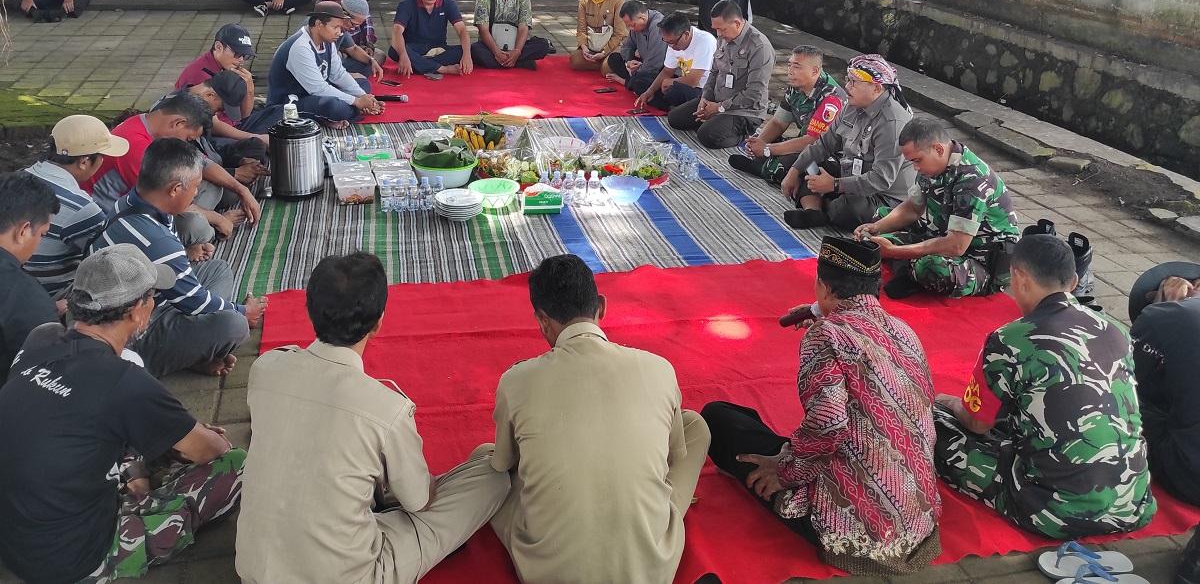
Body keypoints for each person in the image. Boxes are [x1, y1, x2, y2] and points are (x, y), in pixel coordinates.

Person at [237, 252, 508, 584]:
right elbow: (419, 501)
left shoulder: (265, 368)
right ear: (379, 321)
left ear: (310, 311)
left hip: (256, 569)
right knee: (492, 475)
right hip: (352, 574)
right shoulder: (385, 408)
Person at [0, 245, 245, 584]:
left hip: (14, 539)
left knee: (131, 433)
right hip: (73, 561)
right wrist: (199, 439)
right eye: (151, 297)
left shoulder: (42, 337)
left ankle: (139, 473)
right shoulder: (125, 381)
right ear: (137, 311)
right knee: (236, 465)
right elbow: (212, 452)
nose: (154, 304)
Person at [702, 236, 942, 576]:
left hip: (861, 529)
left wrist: (785, 472)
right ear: (875, 285)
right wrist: (820, 310)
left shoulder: (825, 336)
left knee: (719, 419)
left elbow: (828, 424)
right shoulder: (904, 331)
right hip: (917, 516)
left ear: (822, 286)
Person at [489, 254, 710, 584]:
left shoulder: (516, 380)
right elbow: (675, 455)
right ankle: (652, 507)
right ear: (601, 307)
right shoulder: (659, 368)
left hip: (548, 571)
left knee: (485, 459)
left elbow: (504, 464)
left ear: (542, 320)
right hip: (651, 566)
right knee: (696, 426)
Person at [933, 234, 1156, 539]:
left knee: (933, 424)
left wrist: (947, 402)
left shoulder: (1010, 339)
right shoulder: (1115, 330)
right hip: (1132, 503)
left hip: (1052, 511)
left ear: (1019, 277)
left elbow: (977, 423)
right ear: (1075, 280)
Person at [89, 139, 265, 378]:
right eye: (195, 187)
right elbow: (193, 301)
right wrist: (243, 310)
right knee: (234, 325)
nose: (196, 194)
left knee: (218, 269)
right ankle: (183, 354)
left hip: (151, 298)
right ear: (174, 189)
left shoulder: (132, 200)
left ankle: (194, 350)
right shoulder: (157, 240)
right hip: (133, 331)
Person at [855, 117, 1020, 299]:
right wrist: (875, 228)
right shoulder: (932, 167)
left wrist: (895, 251)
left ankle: (908, 267)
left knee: (930, 267)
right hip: (940, 236)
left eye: (918, 160)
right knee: (878, 224)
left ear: (938, 149)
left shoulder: (973, 180)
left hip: (979, 261)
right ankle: (907, 267)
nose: (916, 168)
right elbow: (912, 208)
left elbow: (956, 246)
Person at [84, 91, 261, 248]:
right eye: (188, 138)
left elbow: (202, 162)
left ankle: (202, 230)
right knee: (195, 226)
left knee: (219, 187)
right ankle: (205, 236)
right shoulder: (135, 146)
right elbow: (162, 201)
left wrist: (241, 189)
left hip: (157, 200)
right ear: (178, 123)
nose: (188, 142)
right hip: (119, 221)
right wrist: (218, 218)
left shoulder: (148, 124)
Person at [781, 54, 914, 230]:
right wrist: (793, 171)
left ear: (876, 88)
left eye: (854, 82)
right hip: (850, 175)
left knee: (848, 208)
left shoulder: (892, 123)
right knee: (806, 164)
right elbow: (824, 144)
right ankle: (813, 211)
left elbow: (881, 179)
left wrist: (835, 185)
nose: (847, 86)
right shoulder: (852, 106)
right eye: (848, 80)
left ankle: (826, 205)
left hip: (884, 196)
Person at [23, 115, 130, 299]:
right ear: (84, 162)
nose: (103, 162)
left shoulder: (17, 177)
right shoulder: (82, 208)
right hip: (53, 296)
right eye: (102, 156)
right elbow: (107, 263)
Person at [1128, 262, 1200, 506]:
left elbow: (1126, 380)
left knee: (1110, 402)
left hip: (1189, 476)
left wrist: (1161, 307)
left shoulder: (1170, 313)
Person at [728, 46, 846, 186]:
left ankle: (762, 167)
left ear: (814, 71)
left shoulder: (831, 98)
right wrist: (758, 144)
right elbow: (779, 122)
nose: (790, 71)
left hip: (830, 153)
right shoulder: (797, 85)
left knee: (780, 169)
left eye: (796, 66)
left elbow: (813, 141)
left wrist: (767, 149)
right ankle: (766, 160)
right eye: (789, 65)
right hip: (805, 141)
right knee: (766, 141)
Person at [667, 0, 773, 149]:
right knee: (675, 119)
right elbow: (714, 72)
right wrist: (705, 98)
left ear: (736, 23)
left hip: (744, 111)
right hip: (717, 101)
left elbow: (754, 93)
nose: (718, 34)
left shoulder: (759, 47)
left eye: (722, 29)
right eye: (716, 29)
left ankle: (745, 133)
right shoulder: (723, 38)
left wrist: (719, 108)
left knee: (707, 136)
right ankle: (715, 122)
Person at [266, 1, 384, 127]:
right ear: (319, 24)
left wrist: (364, 97)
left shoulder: (327, 41)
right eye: (335, 27)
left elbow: (338, 74)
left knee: (363, 84)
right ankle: (335, 115)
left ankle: (337, 115)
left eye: (340, 27)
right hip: (290, 103)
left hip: (315, 96)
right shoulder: (300, 47)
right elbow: (318, 89)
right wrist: (357, 102)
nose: (339, 32)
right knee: (337, 108)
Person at [0, 173, 61, 385]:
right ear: (24, 231)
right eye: (42, 235)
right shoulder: (25, 295)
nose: (39, 243)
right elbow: (47, 379)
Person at [389, 0, 474, 79]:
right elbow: (397, 32)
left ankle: (420, 64)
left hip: (438, 49)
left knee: (468, 50)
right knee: (395, 50)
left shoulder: (448, 4)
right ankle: (442, 69)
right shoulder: (406, 5)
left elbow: (462, 30)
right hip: (414, 48)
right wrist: (404, 55)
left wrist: (467, 55)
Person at [470, 0, 552, 70]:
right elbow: (483, 30)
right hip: (491, 47)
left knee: (543, 46)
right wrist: (497, 52)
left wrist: (517, 51)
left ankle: (506, 61)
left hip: (516, 46)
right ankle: (520, 62)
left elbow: (524, 28)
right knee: (474, 49)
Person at [634, 12, 717, 112]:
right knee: (639, 81)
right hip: (680, 82)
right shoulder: (673, 42)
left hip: (701, 90)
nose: (670, 46)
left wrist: (670, 82)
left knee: (675, 91)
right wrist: (649, 91)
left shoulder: (704, 41)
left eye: (672, 42)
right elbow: (667, 71)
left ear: (686, 35)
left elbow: (694, 80)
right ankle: (674, 108)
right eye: (666, 42)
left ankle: (675, 109)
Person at [175, 23, 258, 122]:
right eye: (237, 54)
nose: (241, 60)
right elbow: (214, 125)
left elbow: (242, 117)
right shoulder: (201, 77)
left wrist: (249, 88)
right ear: (218, 47)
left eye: (245, 56)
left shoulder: (221, 66)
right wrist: (251, 135)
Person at [322, 0, 385, 80]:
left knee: (379, 57)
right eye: (336, 0)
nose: (339, 2)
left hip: (355, 48)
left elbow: (354, 47)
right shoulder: (323, 10)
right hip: (330, 56)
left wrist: (369, 49)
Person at [570, 0, 629, 73]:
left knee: (606, 69)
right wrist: (584, 47)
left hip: (613, 46)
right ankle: (603, 63)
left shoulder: (619, 1)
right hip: (592, 45)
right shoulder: (584, 2)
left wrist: (604, 52)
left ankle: (606, 63)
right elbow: (581, 29)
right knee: (575, 61)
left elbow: (620, 34)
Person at [602, 0, 669, 95]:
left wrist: (636, 72)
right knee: (614, 58)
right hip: (641, 65)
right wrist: (628, 62)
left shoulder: (657, 26)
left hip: (658, 70)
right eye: (628, 26)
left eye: (632, 25)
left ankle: (627, 82)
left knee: (640, 81)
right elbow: (626, 46)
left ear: (642, 18)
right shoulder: (635, 26)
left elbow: (655, 62)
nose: (630, 29)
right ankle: (631, 82)